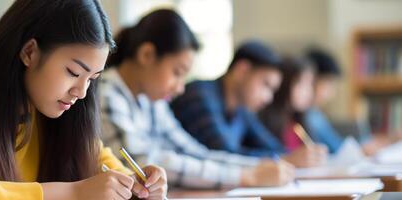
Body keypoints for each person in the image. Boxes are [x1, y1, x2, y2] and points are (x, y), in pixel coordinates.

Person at [0, 1, 167, 199]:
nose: (81, 92)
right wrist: (74, 193)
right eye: (73, 73)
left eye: (92, 78)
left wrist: (137, 185)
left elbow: (106, 167)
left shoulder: (58, 111)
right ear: (29, 52)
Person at [100, 9, 294, 189]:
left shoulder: (150, 101)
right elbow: (143, 163)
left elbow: (192, 151)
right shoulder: (107, 94)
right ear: (147, 55)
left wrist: (257, 166)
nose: (180, 87)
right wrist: (245, 176)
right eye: (177, 72)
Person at [171, 41, 327, 168]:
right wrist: (284, 159)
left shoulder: (241, 110)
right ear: (242, 70)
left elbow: (272, 147)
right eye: (266, 85)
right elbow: (224, 155)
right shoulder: (200, 96)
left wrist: (296, 156)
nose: (269, 98)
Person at [259, 57, 328, 168]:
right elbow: (264, 156)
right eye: (302, 84)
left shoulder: (300, 122)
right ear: (285, 84)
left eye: (310, 84)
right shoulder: (265, 120)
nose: (308, 92)